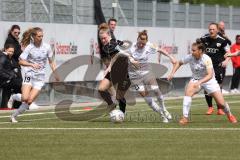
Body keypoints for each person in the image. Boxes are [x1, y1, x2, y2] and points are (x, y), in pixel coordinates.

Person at [167, 41, 237, 125]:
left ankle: (230, 115)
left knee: (221, 104)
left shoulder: (206, 59)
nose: (191, 52)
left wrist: (200, 82)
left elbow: (210, 75)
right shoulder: (189, 57)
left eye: (194, 50)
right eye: (191, 50)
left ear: (200, 51)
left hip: (209, 81)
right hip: (196, 79)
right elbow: (179, 63)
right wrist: (172, 73)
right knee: (187, 93)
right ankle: (185, 118)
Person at [10, 27, 59, 123]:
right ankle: (13, 96)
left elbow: (51, 61)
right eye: (39, 36)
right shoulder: (29, 47)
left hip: (39, 78)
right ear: (33, 37)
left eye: (42, 36)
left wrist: (55, 72)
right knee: (24, 98)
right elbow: (21, 62)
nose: (41, 38)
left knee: (29, 101)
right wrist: (31, 64)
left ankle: (14, 116)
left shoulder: (47, 47)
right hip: (29, 75)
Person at [127, 30, 175, 123]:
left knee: (156, 90)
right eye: (140, 43)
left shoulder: (149, 46)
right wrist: (130, 59)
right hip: (134, 77)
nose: (141, 45)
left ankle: (164, 109)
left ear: (146, 42)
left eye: (143, 44)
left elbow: (161, 50)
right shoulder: (131, 47)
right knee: (148, 99)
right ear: (137, 39)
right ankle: (162, 115)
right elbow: (123, 54)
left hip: (146, 72)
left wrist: (170, 57)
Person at [199, 22, 231, 115]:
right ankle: (210, 107)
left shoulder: (222, 40)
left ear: (217, 30)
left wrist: (226, 61)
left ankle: (220, 108)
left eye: (213, 29)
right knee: (206, 86)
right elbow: (198, 49)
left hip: (217, 66)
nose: (211, 31)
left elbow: (229, 52)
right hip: (206, 66)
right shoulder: (204, 39)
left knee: (218, 86)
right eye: (210, 29)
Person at [98, 25, 131, 114]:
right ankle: (111, 104)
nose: (103, 40)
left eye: (104, 38)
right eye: (101, 39)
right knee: (101, 89)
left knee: (119, 96)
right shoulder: (107, 46)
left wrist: (124, 47)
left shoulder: (113, 43)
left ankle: (122, 113)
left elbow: (121, 53)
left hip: (122, 72)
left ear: (109, 35)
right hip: (113, 71)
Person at [1, 25, 22, 109]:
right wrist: (10, 75)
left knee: (15, 86)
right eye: (15, 32)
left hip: (10, 73)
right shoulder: (10, 40)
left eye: (18, 33)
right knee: (18, 85)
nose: (17, 34)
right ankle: (15, 105)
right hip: (6, 76)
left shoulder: (14, 40)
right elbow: (17, 53)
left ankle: (7, 106)